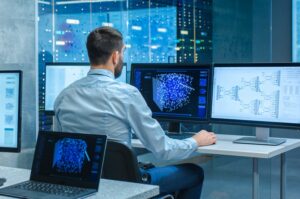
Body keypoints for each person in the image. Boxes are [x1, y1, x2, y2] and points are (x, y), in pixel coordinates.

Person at [54, 26, 217, 199]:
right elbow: (163, 150)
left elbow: (57, 145)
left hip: (83, 186)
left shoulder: (64, 95)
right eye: (123, 52)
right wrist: (195, 141)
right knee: (193, 172)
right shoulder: (126, 94)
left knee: (149, 167)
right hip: (125, 187)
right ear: (115, 56)